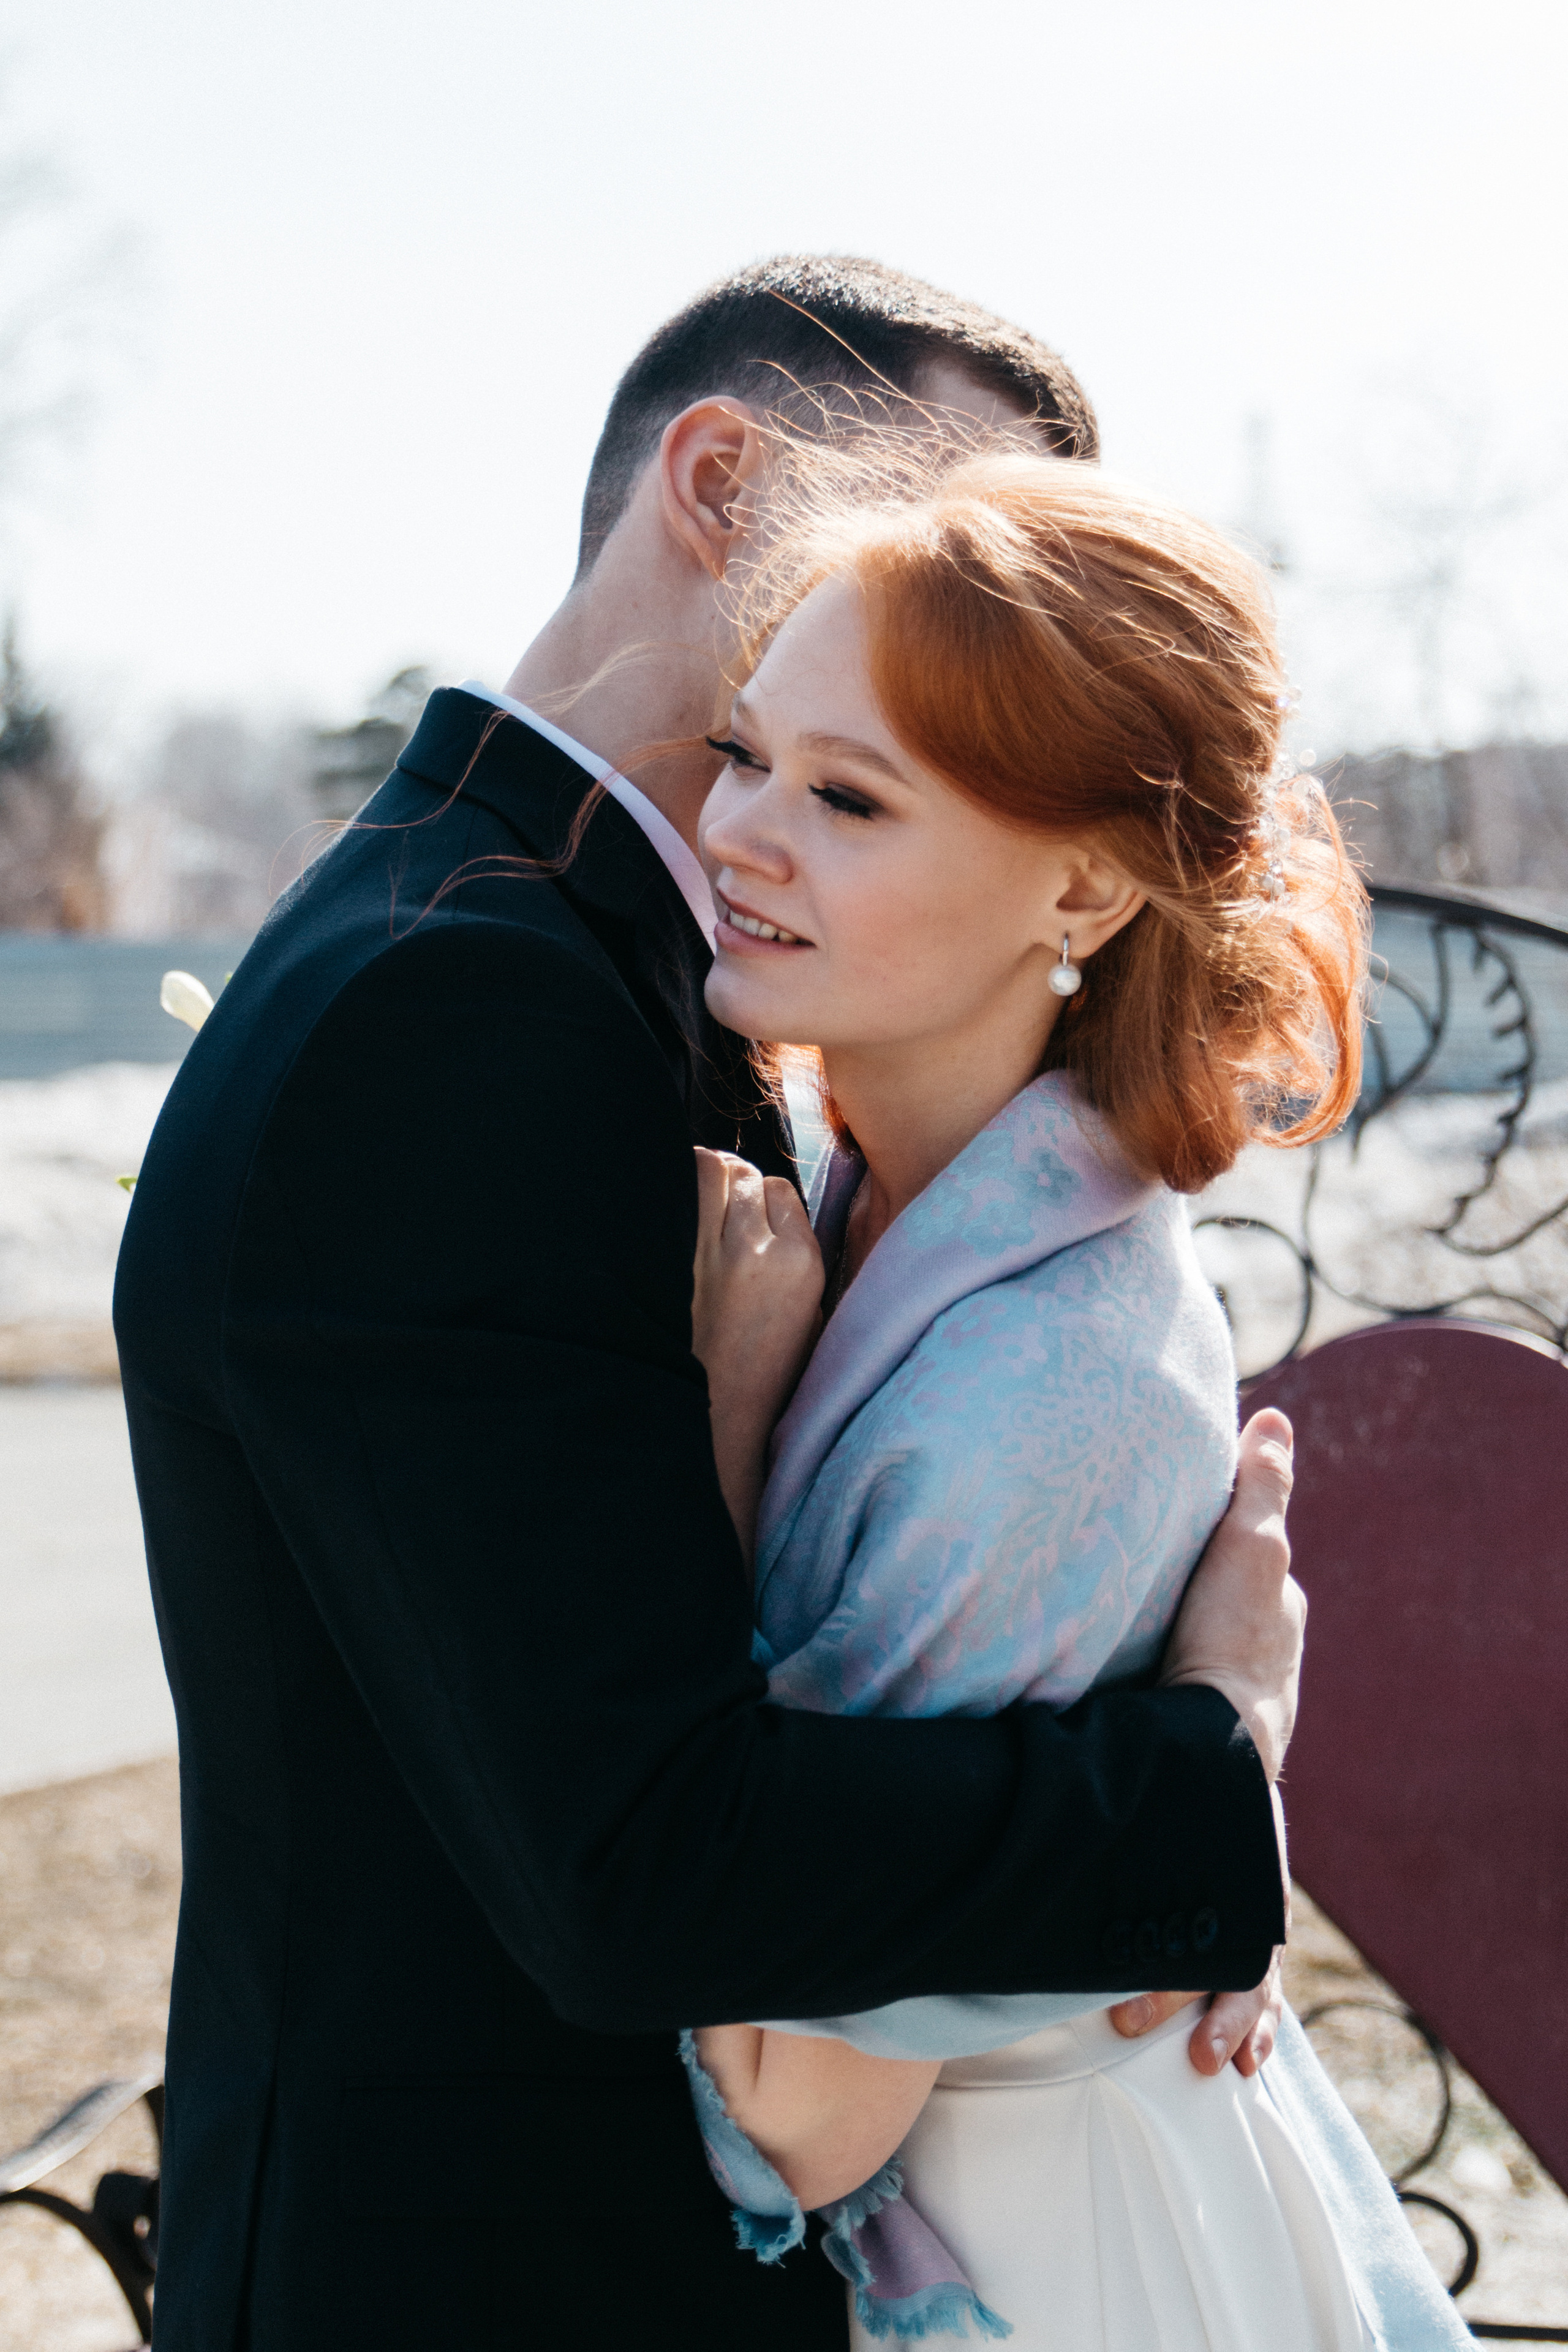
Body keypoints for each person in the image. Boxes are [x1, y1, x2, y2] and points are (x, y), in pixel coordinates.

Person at [115, 258, 1300, 2352]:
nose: (984, 605)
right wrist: (1200, 1783)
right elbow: (645, 1857)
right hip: (493, 2274)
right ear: (724, 478)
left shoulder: (567, 953)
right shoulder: (467, 1003)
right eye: (958, 538)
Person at [681, 434, 1471, 2348]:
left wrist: (711, 1435)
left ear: (1093, 892)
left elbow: (797, 2119)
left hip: (1070, 2262)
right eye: (745, 753)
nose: (739, 834)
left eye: (849, 798)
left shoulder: (1031, 1400)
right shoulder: (912, 1200)